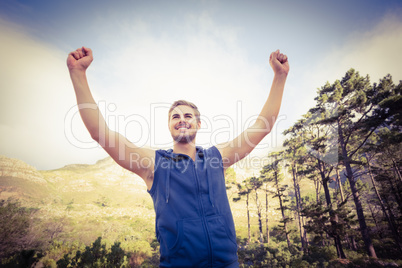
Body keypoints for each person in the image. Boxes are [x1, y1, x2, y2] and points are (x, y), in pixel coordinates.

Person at [67, 46, 289, 267]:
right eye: (175, 116)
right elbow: (101, 134)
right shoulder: (154, 164)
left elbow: (263, 125)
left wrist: (280, 76)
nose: (181, 119)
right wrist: (78, 74)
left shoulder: (216, 158)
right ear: (169, 126)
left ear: (198, 123)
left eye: (188, 115)